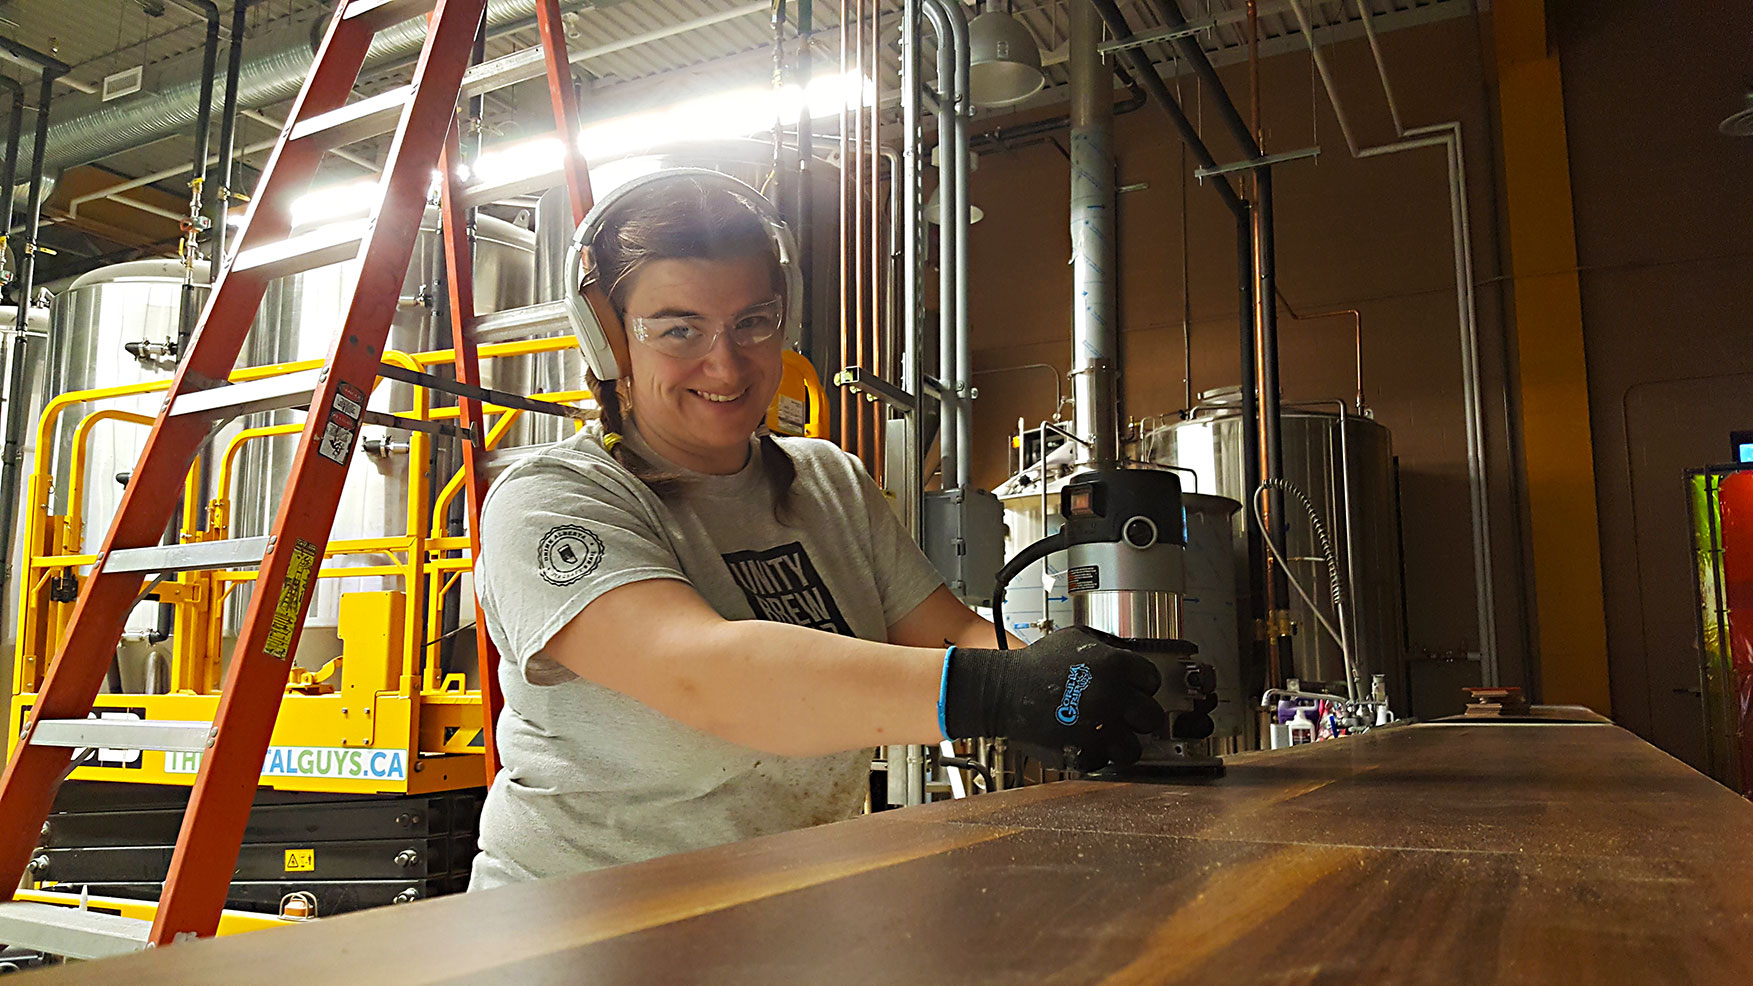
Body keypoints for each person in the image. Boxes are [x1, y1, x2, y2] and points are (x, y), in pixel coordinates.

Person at [467, 170, 1165, 890]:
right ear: (609, 343)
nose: (725, 361)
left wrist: (1075, 684)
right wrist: (1004, 691)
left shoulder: (827, 482)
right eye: (678, 329)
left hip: (787, 909)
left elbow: (952, 633)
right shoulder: (554, 501)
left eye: (752, 321)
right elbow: (705, 677)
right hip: (581, 930)